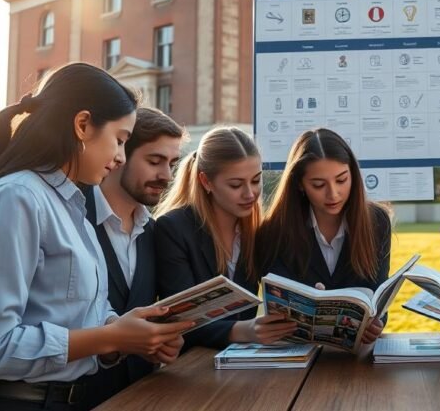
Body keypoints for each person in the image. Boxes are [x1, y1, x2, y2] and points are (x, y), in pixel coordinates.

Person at [0, 63, 191, 411]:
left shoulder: (71, 205)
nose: (120, 158)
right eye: (119, 140)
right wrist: (110, 336)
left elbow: (72, 313)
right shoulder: (15, 198)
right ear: (82, 125)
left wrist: (126, 333)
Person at [77, 107, 185, 409]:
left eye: (172, 164)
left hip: (141, 397)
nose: (166, 176)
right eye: (155, 161)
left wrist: (162, 341)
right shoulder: (69, 217)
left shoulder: (157, 231)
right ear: (119, 154)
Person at [155, 127, 297, 349]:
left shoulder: (258, 232)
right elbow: (178, 319)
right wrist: (245, 330)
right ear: (206, 181)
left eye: (256, 180)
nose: (250, 194)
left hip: (245, 365)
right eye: (236, 185)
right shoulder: (173, 229)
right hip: (192, 367)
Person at [257, 128, 391, 346]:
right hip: (296, 353)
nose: (333, 194)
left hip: (356, 355)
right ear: (299, 184)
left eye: (341, 180)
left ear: (353, 176)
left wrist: (376, 323)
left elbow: (378, 294)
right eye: (318, 185)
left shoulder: (376, 221)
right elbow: (276, 304)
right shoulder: (274, 231)